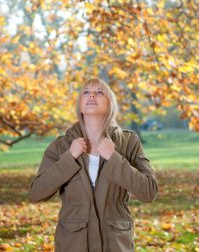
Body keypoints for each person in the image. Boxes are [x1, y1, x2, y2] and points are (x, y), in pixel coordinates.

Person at [29, 77, 158, 252]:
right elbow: (37, 193)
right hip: (73, 244)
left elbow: (149, 192)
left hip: (115, 244)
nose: (92, 95)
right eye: (86, 92)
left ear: (110, 103)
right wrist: (69, 158)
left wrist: (114, 158)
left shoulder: (129, 142)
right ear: (80, 103)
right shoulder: (61, 146)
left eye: (99, 92)